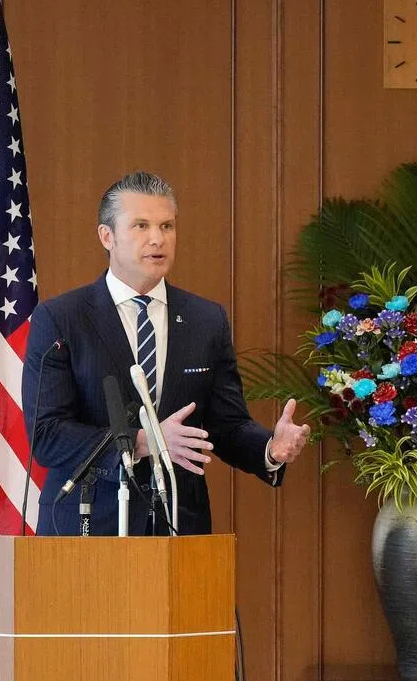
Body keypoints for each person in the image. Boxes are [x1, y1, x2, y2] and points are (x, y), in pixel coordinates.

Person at [22, 171, 309, 536]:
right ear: (106, 236)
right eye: (141, 226)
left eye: (167, 226)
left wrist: (269, 448)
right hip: (87, 527)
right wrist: (144, 442)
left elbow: (226, 425)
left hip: (178, 529)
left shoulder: (206, 319)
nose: (157, 239)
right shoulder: (61, 318)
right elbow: (47, 434)